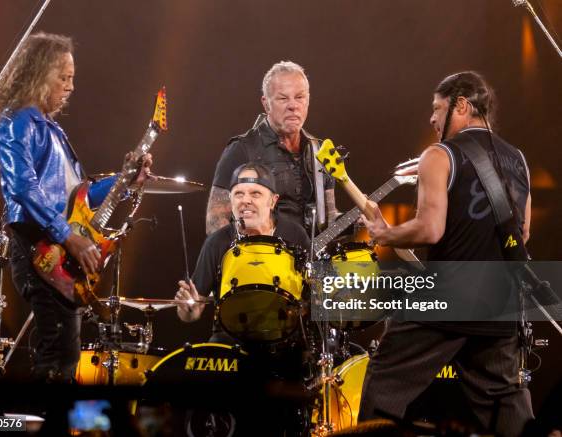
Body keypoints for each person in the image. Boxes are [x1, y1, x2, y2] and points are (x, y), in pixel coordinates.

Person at [359, 71, 533, 436]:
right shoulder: (518, 159)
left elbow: (430, 228)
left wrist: (385, 234)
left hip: (447, 299)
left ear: (463, 106)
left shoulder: (439, 155)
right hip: (501, 302)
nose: (432, 118)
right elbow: (522, 235)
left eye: (438, 108)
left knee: (385, 378)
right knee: (503, 396)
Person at [0, 32, 152, 383]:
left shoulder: (54, 132)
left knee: (64, 353)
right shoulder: (17, 120)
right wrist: (68, 236)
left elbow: (81, 198)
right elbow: (22, 187)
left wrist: (125, 181)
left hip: (58, 249)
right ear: (37, 73)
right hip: (38, 246)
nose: (70, 86)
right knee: (57, 352)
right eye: (63, 77)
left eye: (72, 78)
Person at [176, 162, 309, 335]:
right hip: (231, 341)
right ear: (230, 200)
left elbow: (321, 293)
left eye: (256, 193)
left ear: (273, 201)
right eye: (239, 194)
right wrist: (189, 310)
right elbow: (190, 313)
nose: (246, 200)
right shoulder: (217, 242)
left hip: (285, 338)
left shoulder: (295, 234)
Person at [206, 61, 338, 236]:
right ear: (266, 103)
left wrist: (358, 218)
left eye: (300, 97)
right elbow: (215, 223)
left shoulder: (320, 151)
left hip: (311, 260)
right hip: (263, 258)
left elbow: (329, 216)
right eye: (283, 98)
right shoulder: (241, 150)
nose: (293, 105)